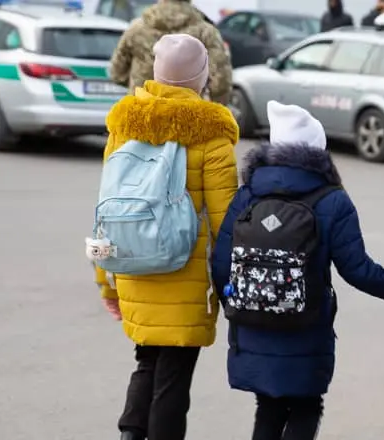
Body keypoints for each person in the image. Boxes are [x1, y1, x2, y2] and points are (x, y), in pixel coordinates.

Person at [211, 101, 384, 440]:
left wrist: (238, 307)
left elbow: (222, 262)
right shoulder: (331, 200)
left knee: (268, 407)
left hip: (253, 323)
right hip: (306, 325)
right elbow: (357, 269)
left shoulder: (248, 196)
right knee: (305, 406)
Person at [96, 34, 239, 440]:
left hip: (130, 265)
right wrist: (228, 288)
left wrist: (103, 279)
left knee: (146, 361)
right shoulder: (213, 134)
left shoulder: (125, 124)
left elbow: (105, 210)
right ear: (202, 77)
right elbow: (226, 221)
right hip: (185, 273)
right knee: (173, 378)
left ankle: (129, 434)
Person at [109, 0, 232, 104]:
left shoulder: (136, 29)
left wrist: (141, 85)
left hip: (141, 111)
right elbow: (221, 80)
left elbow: (116, 73)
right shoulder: (206, 32)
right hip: (189, 115)